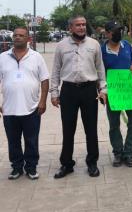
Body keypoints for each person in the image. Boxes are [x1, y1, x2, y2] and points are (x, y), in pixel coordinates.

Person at [50, 15, 107, 179]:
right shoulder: (61, 46)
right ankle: (67, 164)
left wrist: (103, 89)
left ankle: (92, 162)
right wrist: (54, 92)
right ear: (70, 28)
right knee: (68, 129)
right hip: (68, 91)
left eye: (83, 24)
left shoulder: (94, 44)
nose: (82, 27)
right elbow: (55, 70)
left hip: (89, 90)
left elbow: (100, 69)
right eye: (78, 25)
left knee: (91, 128)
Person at [0, 27, 49, 180]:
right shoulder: (2, 57)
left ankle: (31, 167)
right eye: (15, 35)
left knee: (31, 141)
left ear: (28, 39)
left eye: (22, 35)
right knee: (13, 141)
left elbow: (45, 80)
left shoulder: (36, 57)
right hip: (9, 109)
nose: (18, 37)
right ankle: (16, 168)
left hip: (32, 108)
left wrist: (42, 101)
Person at [101, 21, 132, 168]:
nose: (119, 33)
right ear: (107, 33)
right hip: (114, 94)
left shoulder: (127, 46)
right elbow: (99, 73)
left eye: (120, 30)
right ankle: (118, 152)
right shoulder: (101, 50)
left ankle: (129, 152)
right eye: (115, 30)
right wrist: (102, 91)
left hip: (131, 93)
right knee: (114, 125)